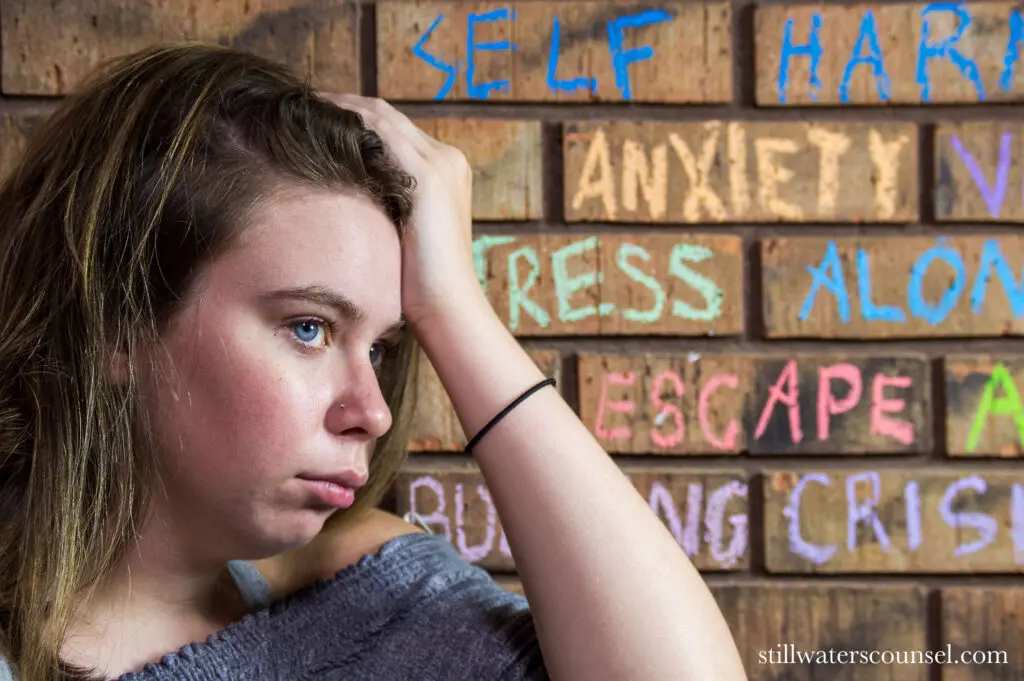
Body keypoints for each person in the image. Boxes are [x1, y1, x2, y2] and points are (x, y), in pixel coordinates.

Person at [0, 43, 748, 681]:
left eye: (384, 347)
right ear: (116, 328)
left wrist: (454, 306)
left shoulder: (369, 596)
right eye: (308, 327)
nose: (374, 409)